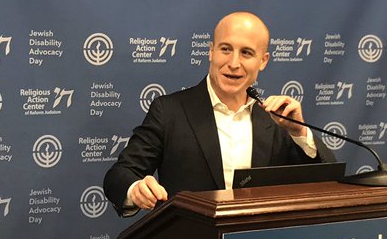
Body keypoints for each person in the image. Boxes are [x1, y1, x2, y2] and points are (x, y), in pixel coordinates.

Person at [104, 11, 335, 216]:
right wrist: (135, 189)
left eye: (246, 53)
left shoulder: (276, 118)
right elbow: (120, 174)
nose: (234, 63)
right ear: (211, 52)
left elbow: (326, 183)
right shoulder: (169, 111)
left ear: (263, 61)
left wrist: (299, 131)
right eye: (226, 49)